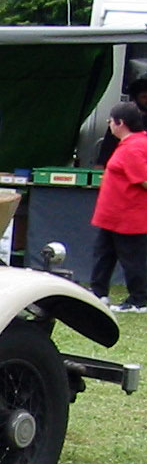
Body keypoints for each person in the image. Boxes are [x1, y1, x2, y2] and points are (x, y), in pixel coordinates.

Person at [90, 102, 147, 314]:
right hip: (113, 217)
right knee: (103, 255)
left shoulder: (134, 147)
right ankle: (98, 293)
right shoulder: (131, 144)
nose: (109, 124)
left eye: (110, 121)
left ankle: (139, 300)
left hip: (128, 217)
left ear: (120, 123)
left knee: (133, 260)